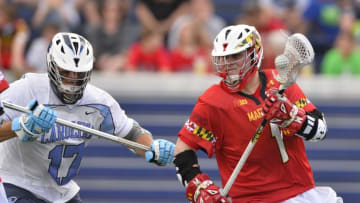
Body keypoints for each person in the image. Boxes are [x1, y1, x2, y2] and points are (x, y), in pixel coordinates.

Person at [173, 24, 342, 203]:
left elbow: (320, 130)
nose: (228, 63)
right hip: (253, 199)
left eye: (235, 56)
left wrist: (292, 117)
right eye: (223, 57)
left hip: (303, 193)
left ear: (254, 52)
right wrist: (200, 188)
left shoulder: (280, 81)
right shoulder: (212, 102)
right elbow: (183, 149)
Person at [0, 32, 175, 203]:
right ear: (52, 65)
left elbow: (131, 134)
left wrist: (153, 148)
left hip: (62, 192)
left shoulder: (98, 102)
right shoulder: (28, 88)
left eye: (79, 74)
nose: (72, 79)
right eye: (66, 72)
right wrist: (21, 126)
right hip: (17, 183)